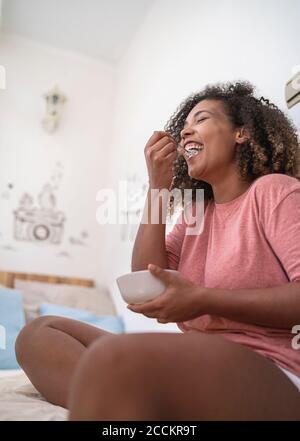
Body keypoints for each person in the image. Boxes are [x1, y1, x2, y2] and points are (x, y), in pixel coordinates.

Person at [15, 81, 300, 420]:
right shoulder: (196, 212)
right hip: (198, 361)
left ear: (242, 133)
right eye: (184, 127)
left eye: (201, 119)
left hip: (270, 368)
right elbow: (147, 281)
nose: (186, 132)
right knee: (39, 334)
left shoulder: (274, 191)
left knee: (114, 362)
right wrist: (158, 187)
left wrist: (205, 298)